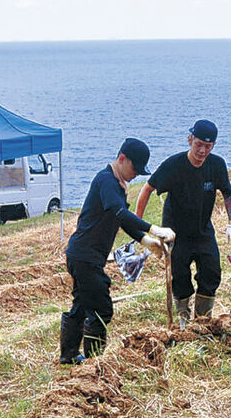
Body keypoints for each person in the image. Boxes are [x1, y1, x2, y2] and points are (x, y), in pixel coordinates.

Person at [61, 138, 175, 364]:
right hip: (85, 256)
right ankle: (94, 363)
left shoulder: (116, 183)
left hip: (83, 254)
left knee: (82, 304)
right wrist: (153, 228)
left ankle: (69, 356)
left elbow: (120, 218)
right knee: (102, 309)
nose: (135, 175)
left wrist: (144, 239)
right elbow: (120, 213)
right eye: (135, 168)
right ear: (122, 159)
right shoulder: (106, 181)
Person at [135, 120, 231, 321]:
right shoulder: (173, 165)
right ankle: (184, 319)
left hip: (203, 230)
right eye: (198, 144)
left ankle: (203, 320)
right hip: (176, 233)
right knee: (180, 277)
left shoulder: (217, 165)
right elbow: (147, 188)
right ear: (190, 140)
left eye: (208, 147)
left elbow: (228, 193)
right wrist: (137, 228)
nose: (202, 151)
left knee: (212, 273)